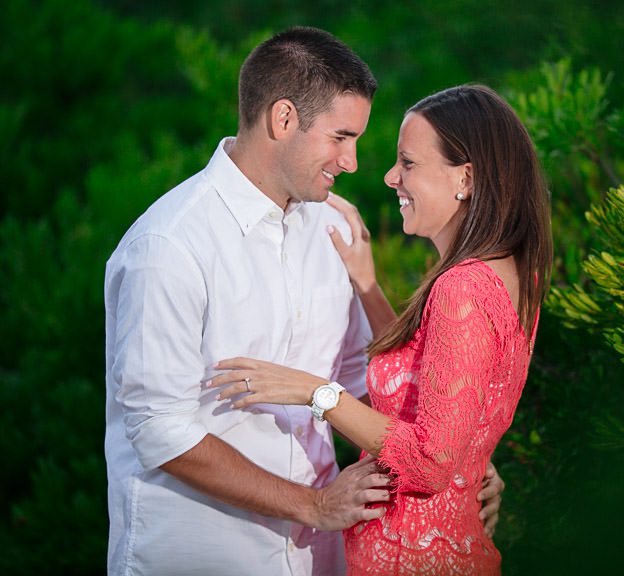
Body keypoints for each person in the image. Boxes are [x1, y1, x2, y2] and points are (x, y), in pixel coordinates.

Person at [104, 28, 504, 576]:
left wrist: (456, 456)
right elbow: (158, 430)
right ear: (284, 118)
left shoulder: (328, 228)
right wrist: (313, 506)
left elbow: (362, 379)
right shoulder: (169, 246)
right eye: (341, 137)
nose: (352, 161)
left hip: (318, 558)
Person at [211, 84, 552, 575]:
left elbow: (429, 463)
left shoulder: (463, 288)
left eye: (408, 163)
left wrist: (315, 392)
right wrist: (367, 286)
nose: (391, 177)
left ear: (466, 178)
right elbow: (433, 380)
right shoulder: (508, 274)